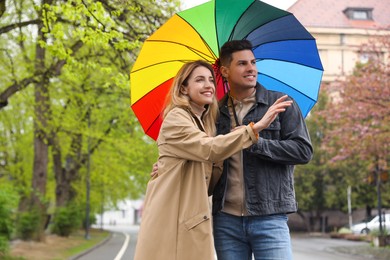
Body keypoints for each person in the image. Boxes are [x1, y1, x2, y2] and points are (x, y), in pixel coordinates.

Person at [133, 60, 292, 260]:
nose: (208, 85)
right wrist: (253, 129)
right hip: (171, 222)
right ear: (183, 88)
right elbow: (209, 149)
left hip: (189, 221)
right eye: (199, 80)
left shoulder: (203, 124)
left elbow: (208, 175)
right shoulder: (177, 118)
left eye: (210, 80)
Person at [212, 40, 313, 260]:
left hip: (270, 216)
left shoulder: (281, 104)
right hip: (225, 219)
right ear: (225, 71)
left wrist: (255, 142)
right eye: (242, 63)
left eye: (253, 62)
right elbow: (203, 152)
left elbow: (303, 151)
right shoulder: (215, 112)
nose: (251, 68)